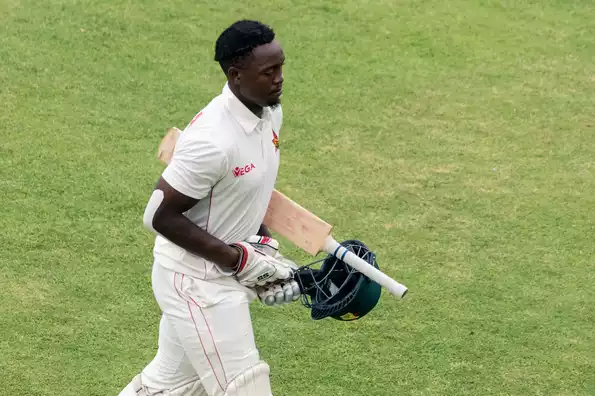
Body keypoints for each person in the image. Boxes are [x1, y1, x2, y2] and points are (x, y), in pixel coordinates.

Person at [118, 19, 300, 396]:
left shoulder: (268, 115)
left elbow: (244, 195)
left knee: (170, 386)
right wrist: (238, 261)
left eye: (281, 67)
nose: (280, 78)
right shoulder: (211, 141)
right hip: (194, 281)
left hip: (219, 273)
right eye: (269, 72)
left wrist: (261, 248)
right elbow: (158, 215)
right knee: (246, 388)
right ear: (236, 75)